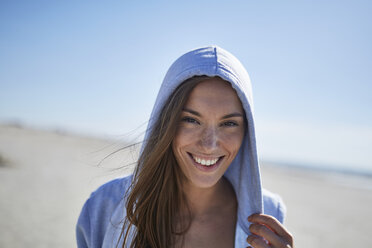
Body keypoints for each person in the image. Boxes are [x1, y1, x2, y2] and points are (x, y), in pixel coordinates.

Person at [76, 46, 293, 248]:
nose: (209, 145)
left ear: (247, 132)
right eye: (191, 120)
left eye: (229, 123)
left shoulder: (268, 217)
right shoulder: (104, 206)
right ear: (165, 121)